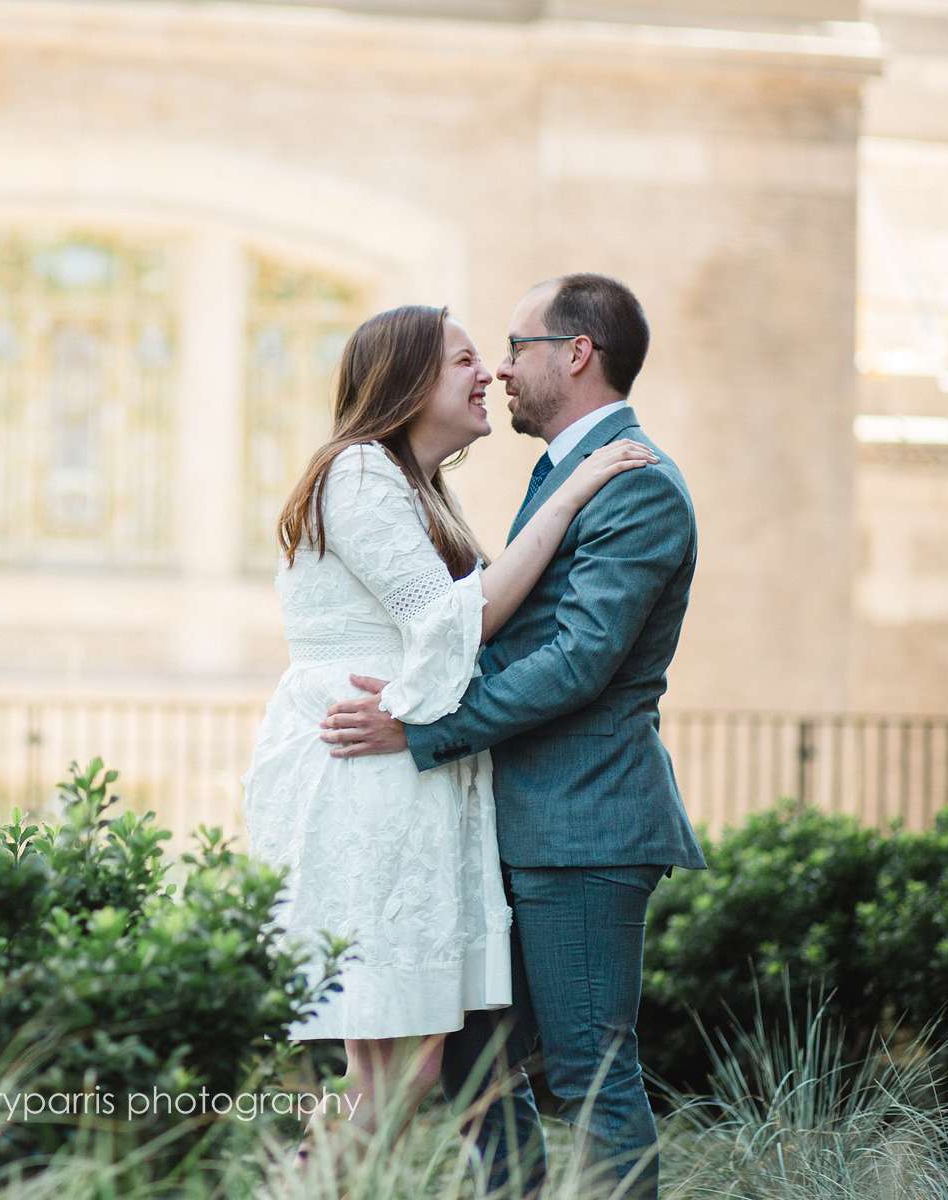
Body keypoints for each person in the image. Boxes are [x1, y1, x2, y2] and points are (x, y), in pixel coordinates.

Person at [238, 301, 657, 1166]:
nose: (490, 373)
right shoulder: (357, 474)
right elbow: (446, 623)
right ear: (406, 381)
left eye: (494, 355)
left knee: (406, 1064)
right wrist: (575, 489)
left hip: (408, 776)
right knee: (398, 1066)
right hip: (367, 771)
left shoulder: (416, 486)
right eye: (466, 359)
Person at [315, 274, 707, 1199]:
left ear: (576, 353)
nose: (500, 367)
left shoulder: (636, 483)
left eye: (516, 347)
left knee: (589, 1077)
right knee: (476, 1071)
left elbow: (576, 662)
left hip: (583, 828)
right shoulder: (570, 472)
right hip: (525, 821)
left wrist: (418, 733)